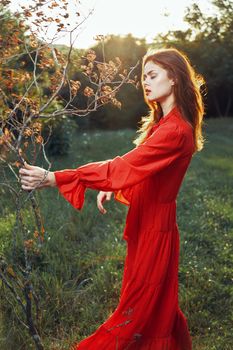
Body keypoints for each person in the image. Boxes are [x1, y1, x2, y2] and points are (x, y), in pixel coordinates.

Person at [19, 47, 205, 349]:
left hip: (156, 230)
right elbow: (144, 170)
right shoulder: (163, 124)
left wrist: (56, 178)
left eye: (153, 75)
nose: (145, 82)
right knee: (156, 308)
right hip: (149, 224)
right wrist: (116, 184)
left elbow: (125, 166)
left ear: (174, 79)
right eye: (143, 77)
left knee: (139, 311)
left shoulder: (175, 130)